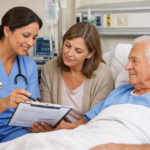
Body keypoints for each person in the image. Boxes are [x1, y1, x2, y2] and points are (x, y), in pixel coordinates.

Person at [1, 36, 150, 150]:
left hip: (116, 140)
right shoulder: (120, 92)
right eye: (128, 60)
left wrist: (123, 147)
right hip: (85, 134)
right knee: (29, 143)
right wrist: (56, 127)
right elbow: (87, 123)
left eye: (135, 61)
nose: (127, 66)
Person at [31, 22, 114, 131]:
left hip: (87, 132)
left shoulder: (103, 74)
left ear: (90, 53)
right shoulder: (50, 68)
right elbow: (47, 112)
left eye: (78, 51)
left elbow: (96, 117)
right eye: (67, 45)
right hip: (53, 132)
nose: (69, 53)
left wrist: (68, 127)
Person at [0, 6, 42, 143]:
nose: (30, 43)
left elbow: (31, 109)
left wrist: (38, 125)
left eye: (34, 37)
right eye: (26, 35)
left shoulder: (29, 65)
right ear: (7, 31)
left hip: (14, 130)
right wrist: (5, 103)